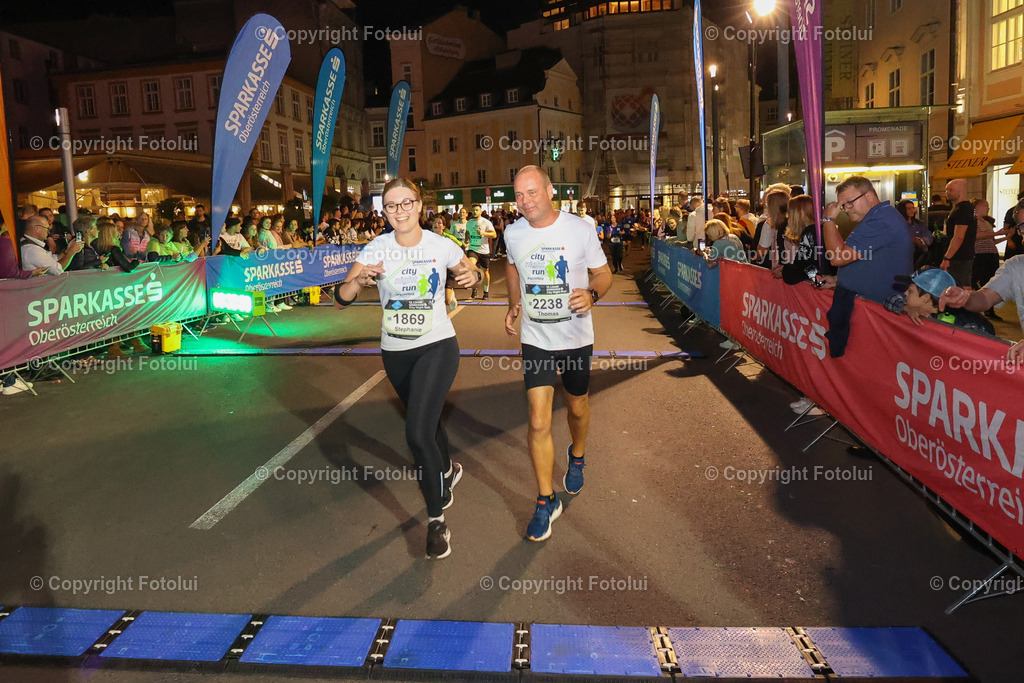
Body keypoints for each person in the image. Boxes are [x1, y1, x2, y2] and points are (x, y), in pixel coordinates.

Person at [333, 177, 481, 559]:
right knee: (428, 421)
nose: (399, 211)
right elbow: (341, 299)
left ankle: (436, 523)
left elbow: (472, 273)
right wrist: (358, 280)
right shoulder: (376, 248)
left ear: (419, 205)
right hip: (395, 352)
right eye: (391, 206)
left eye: (406, 203)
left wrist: (471, 276)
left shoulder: (441, 244)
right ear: (384, 212)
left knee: (416, 431)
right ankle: (446, 468)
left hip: (437, 345)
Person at [504, 165, 611, 542]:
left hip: (576, 337)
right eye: (518, 195)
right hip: (536, 340)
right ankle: (545, 500)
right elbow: (512, 266)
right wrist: (515, 303)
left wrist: (592, 294)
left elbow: (604, 273)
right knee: (537, 421)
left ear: (550, 190)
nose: (525, 201)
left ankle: (577, 456)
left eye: (532, 192)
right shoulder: (513, 232)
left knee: (577, 407)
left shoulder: (580, 228)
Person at [822, 176, 914, 303]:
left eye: (850, 202)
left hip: (878, 308)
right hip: (871, 305)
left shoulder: (881, 220)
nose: (847, 209)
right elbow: (875, 261)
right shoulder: (879, 217)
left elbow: (838, 257)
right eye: (843, 205)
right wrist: (839, 279)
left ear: (869, 196)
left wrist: (829, 220)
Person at [886, 267, 993, 336]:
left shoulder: (967, 326)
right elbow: (890, 300)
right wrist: (904, 308)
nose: (905, 293)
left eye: (910, 291)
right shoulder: (914, 307)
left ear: (926, 298)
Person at [940, 179, 977, 286]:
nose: (947, 192)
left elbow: (959, 236)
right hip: (961, 256)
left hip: (959, 257)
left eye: (951, 190)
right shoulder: (960, 208)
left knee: (960, 288)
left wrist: (947, 257)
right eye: (946, 190)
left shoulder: (963, 208)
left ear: (961, 191)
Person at [465, 204, 497, 299]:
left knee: (485, 271)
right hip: (473, 248)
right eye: (473, 210)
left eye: (477, 210)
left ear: (480, 211)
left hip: (483, 250)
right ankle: (474, 288)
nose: (475, 212)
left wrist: (483, 233)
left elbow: (494, 234)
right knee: (471, 266)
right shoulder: (469, 223)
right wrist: (466, 240)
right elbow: (468, 233)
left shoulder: (486, 222)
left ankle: (486, 292)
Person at [896, 199, 932, 269]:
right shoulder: (897, 225)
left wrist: (921, 241)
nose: (913, 210)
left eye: (913, 208)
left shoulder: (919, 224)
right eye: (909, 209)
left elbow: (928, 236)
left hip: (919, 256)